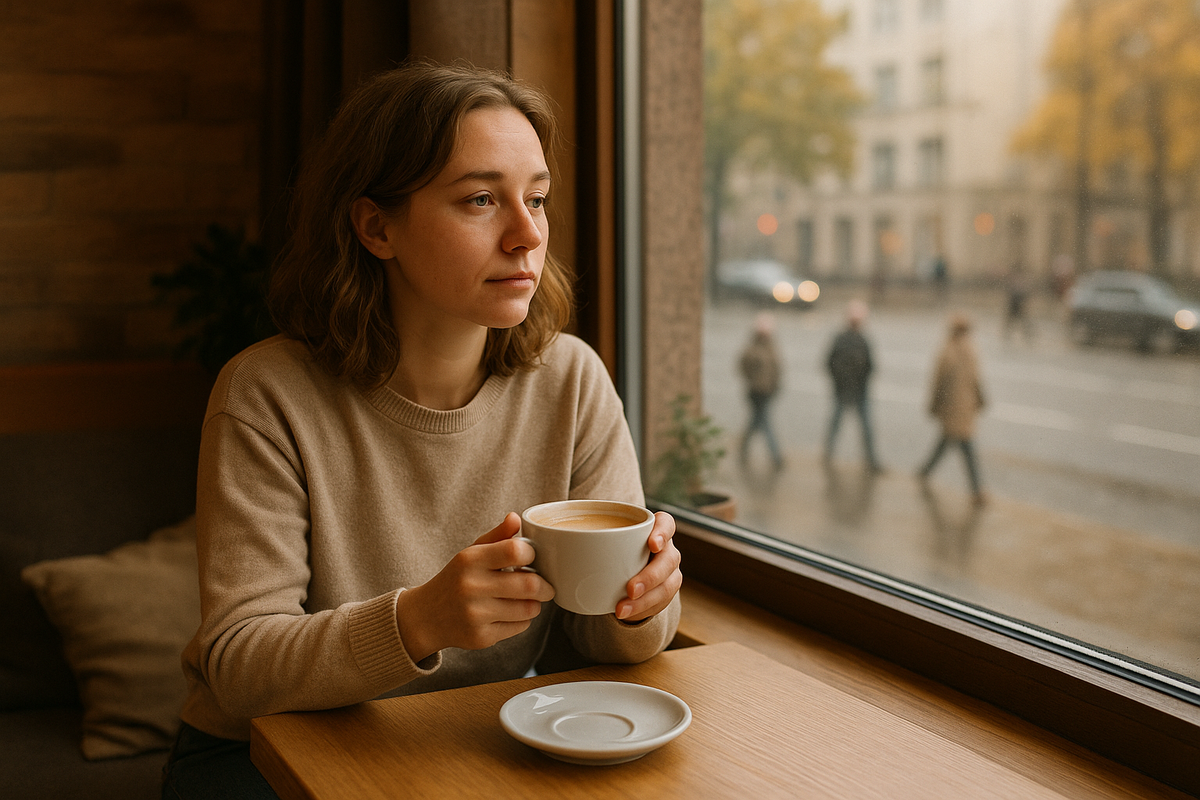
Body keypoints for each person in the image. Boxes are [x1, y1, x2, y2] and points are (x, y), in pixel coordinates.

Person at [162, 62, 682, 799]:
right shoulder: (268, 392)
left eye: (536, 198)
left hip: (463, 734)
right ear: (377, 226)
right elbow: (240, 666)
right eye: (480, 199)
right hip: (260, 754)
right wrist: (418, 620)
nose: (527, 234)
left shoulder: (571, 378)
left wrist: (645, 602)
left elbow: (604, 642)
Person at [918, 312, 987, 506]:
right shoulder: (969, 351)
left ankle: (925, 471)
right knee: (966, 448)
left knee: (947, 442)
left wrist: (933, 406)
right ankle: (976, 490)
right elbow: (975, 381)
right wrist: (981, 400)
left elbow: (938, 384)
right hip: (961, 409)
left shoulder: (948, 351)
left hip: (954, 409)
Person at [823, 299, 883, 473]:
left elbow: (869, 365)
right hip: (849, 389)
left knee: (857, 426)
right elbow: (831, 363)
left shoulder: (854, 339)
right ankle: (869, 460)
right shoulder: (847, 339)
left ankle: (869, 459)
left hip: (854, 389)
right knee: (853, 425)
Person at [737, 312, 784, 470]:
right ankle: (776, 456)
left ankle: (743, 448)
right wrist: (753, 380)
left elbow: (777, 369)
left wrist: (776, 385)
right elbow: (743, 366)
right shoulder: (752, 349)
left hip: (768, 391)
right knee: (764, 422)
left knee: (756, 422)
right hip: (756, 392)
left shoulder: (771, 347)